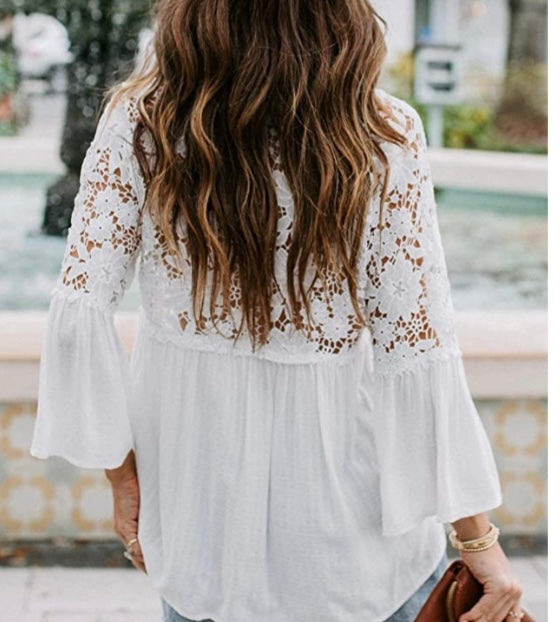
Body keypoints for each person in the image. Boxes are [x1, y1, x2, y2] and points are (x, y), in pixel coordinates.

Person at [29, 1, 526, 621]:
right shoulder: (383, 134)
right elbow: (417, 348)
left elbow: (81, 308)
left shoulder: (141, 122)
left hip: (198, 528)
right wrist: (478, 541)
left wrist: (122, 478)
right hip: (354, 541)